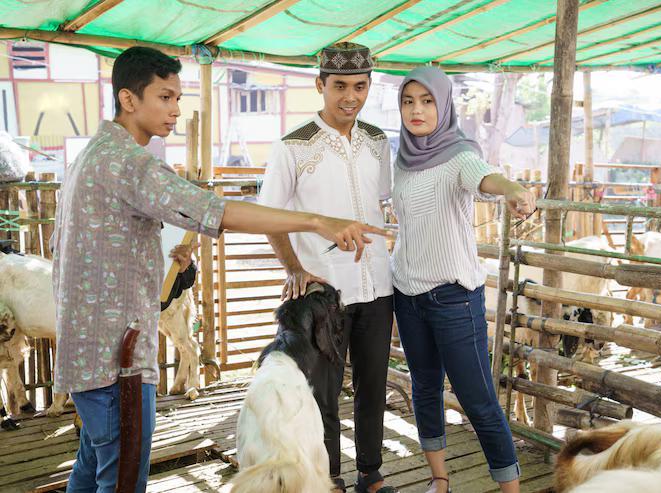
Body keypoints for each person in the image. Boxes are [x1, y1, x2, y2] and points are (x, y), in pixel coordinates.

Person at [53, 46, 387, 493]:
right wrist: (316, 220)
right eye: (165, 97)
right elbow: (216, 211)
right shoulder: (127, 161)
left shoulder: (92, 156)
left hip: (91, 350)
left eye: (178, 98)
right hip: (118, 357)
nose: (175, 110)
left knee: (92, 470)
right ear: (129, 100)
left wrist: (165, 260)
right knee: (121, 479)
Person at [258, 42, 396, 493]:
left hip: (376, 284)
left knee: (373, 385)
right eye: (339, 86)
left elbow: (383, 202)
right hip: (322, 293)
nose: (350, 97)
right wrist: (294, 268)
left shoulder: (378, 142)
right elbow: (270, 216)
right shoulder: (292, 147)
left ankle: (370, 475)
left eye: (360, 86)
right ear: (320, 85)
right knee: (323, 394)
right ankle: (329, 477)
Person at [390, 66, 535, 493]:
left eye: (427, 101)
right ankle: (440, 479)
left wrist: (512, 189)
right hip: (406, 292)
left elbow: (484, 177)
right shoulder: (400, 159)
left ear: (445, 104)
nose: (417, 110)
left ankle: (510, 488)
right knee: (425, 389)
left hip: (453, 297)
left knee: (478, 402)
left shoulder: (459, 154)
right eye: (408, 101)